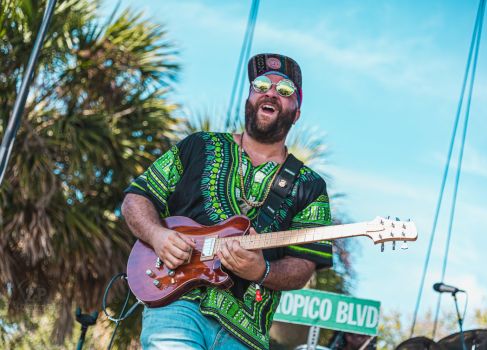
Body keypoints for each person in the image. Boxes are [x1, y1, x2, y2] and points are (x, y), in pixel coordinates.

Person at [121, 53, 334, 350]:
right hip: (177, 303)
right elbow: (136, 198)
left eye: (284, 90)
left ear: (296, 113)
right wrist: (158, 235)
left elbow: (304, 264)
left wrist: (262, 271)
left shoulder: (310, 186)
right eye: (260, 85)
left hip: (246, 332)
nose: (270, 92)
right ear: (249, 100)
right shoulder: (199, 145)